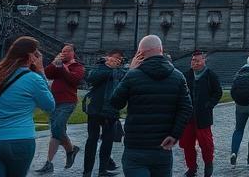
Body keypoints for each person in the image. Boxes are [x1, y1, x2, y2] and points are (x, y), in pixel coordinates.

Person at [107, 34, 193, 177]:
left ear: (140, 53)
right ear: (161, 50)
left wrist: (129, 71)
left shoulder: (132, 76)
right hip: (163, 147)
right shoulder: (178, 76)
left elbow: (115, 102)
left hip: (136, 147)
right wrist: (175, 134)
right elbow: (186, 108)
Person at [0, 36, 56, 177]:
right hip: (20, 141)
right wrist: (41, 71)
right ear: (31, 56)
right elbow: (49, 106)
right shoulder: (33, 78)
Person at [36, 43, 85, 174]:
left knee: (57, 127)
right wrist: (54, 63)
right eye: (62, 51)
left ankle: (50, 162)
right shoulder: (58, 64)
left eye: (67, 51)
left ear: (73, 53)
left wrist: (62, 66)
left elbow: (73, 80)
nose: (64, 53)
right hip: (54, 102)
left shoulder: (78, 67)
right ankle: (70, 150)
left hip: (68, 102)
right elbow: (47, 74)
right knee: (56, 130)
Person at [84, 49, 127, 177]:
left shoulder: (121, 71)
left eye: (119, 59)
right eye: (114, 58)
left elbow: (126, 78)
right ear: (107, 57)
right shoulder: (99, 67)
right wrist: (109, 68)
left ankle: (103, 170)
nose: (117, 61)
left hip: (112, 110)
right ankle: (87, 171)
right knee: (92, 139)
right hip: (96, 109)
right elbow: (91, 79)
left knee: (108, 141)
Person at [181, 50, 222, 176]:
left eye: (198, 60)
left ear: (204, 61)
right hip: (187, 117)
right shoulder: (185, 75)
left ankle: (208, 166)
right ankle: (191, 168)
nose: (195, 63)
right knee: (187, 144)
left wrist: (209, 105)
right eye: (193, 60)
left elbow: (217, 93)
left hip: (203, 117)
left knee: (206, 145)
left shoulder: (211, 75)